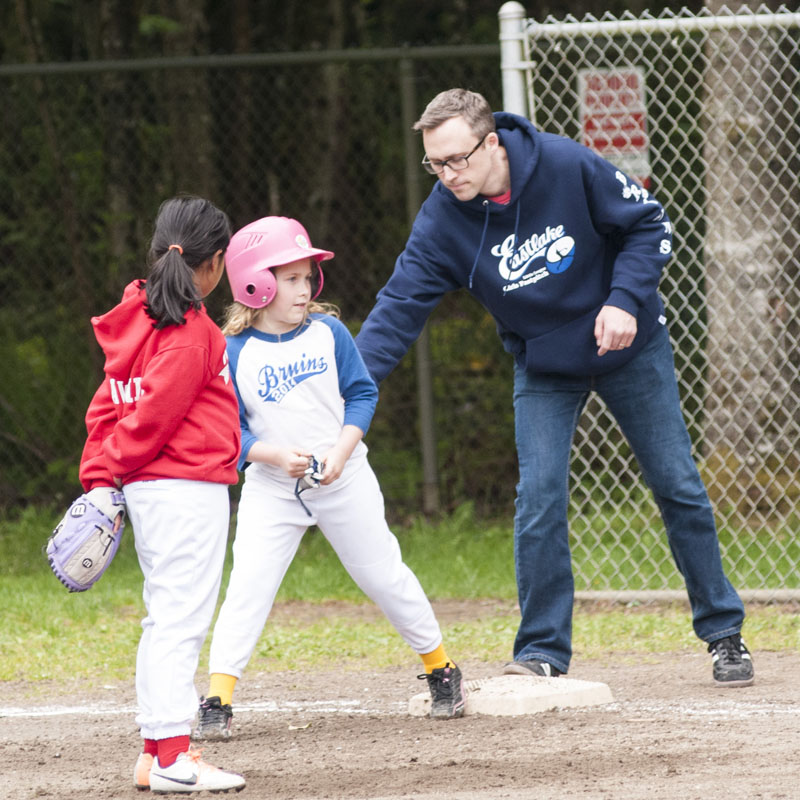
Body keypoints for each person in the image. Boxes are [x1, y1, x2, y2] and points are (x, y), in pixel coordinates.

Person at [354, 88, 754, 688]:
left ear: (492, 142)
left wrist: (624, 301)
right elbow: (398, 308)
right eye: (436, 164)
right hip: (544, 364)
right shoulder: (442, 220)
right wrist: (348, 388)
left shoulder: (566, 164)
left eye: (458, 159)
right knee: (539, 498)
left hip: (630, 345)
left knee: (677, 483)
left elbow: (648, 225)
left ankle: (723, 632)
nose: (449, 174)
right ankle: (542, 650)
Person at [192, 215, 466, 740]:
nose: (305, 288)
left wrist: (342, 450)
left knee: (383, 575)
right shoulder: (234, 351)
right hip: (274, 487)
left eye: (306, 277)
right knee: (248, 587)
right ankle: (218, 698)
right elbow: (230, 431)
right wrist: (273, 455)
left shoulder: (328, 333)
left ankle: (442, 668)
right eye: (290, 278)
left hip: (343, 477)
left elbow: (362, 393)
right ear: (255, 284)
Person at [79, 196, 247, 793]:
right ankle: (176, 757)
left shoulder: (136, 318)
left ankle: (156, 752)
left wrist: (101, 475)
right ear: (216, 263)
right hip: (185, 489)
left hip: (153, 491)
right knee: (180, 621)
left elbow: (106, 408)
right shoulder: (192, 332)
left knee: (164, 618)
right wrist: (105, 475)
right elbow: (152, 421)